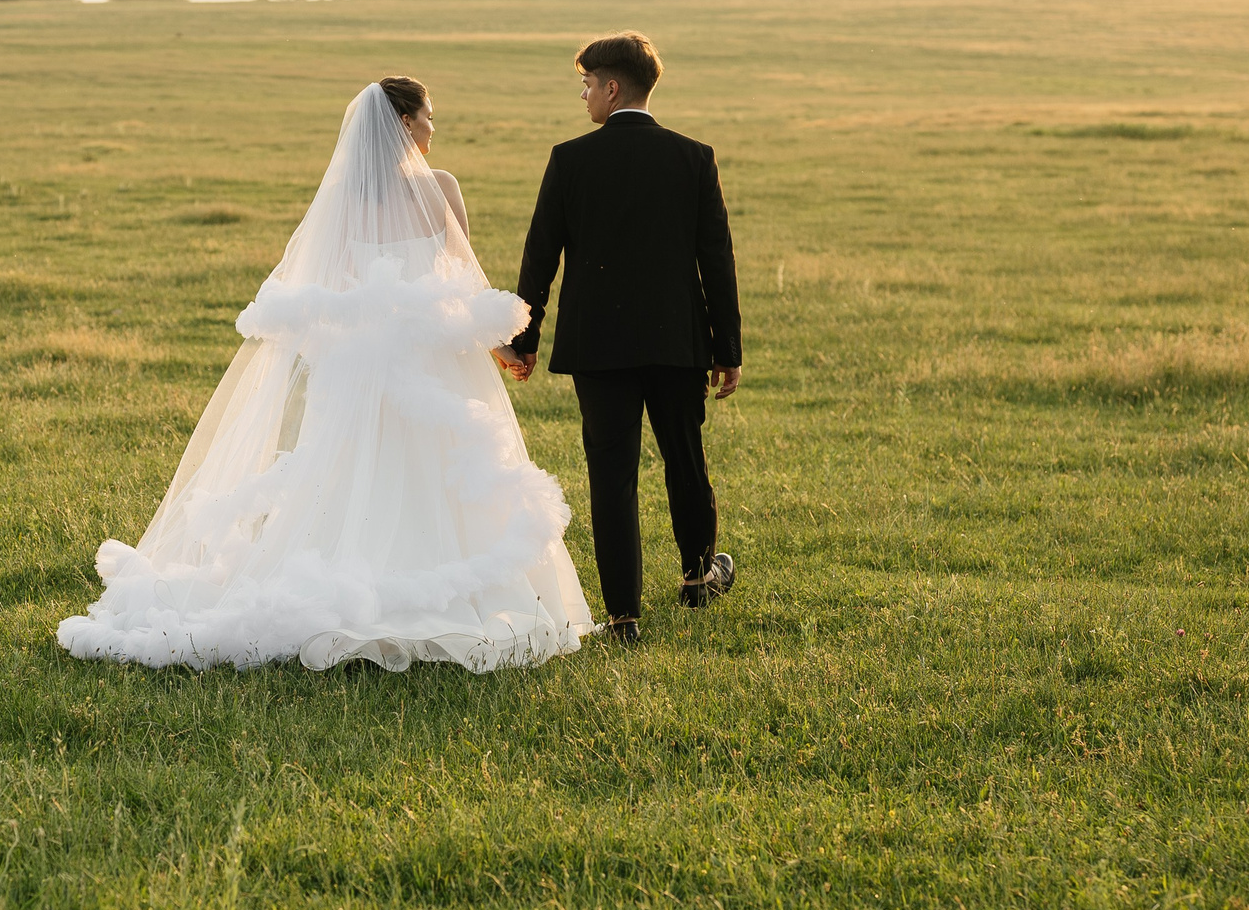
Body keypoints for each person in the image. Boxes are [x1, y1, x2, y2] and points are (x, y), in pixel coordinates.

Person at [58, 77, 597, 672]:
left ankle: (357, 586)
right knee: (439, 471)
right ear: (405, 124)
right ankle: (451, 592)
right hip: (435, 362)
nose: (432, 128)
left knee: (358, 470)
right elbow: (460, 284)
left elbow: (336, 288)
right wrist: (503, 350)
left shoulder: (345, 200)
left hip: (363, 364)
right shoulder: (442, 189)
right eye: (428, 116)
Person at [495, 33, 741, 644]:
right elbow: (718, 260)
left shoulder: (571, 160)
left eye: (586, 84)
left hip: (598, 346)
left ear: (611, 87)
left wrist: (523, 339)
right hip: (677, 342)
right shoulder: (693, 157)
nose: (583, 96)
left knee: (611, 473)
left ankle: (623, 616)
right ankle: (695, 575)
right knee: (685, 458)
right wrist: (726, 348)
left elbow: (539, 258)